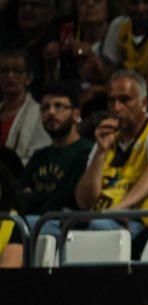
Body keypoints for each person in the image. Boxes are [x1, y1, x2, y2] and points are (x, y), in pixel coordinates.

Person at [74, 69, 148, 238]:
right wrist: (100, 152)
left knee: (99, 227)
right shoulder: (105, 140)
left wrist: (121, 208)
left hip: (145, 226)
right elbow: (84, 201)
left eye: (125, 100)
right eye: (111, 101)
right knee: (42, 226)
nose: (116, 108)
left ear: (144, 103)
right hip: (100, 220)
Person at [20, 83, 93, 221]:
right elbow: (19, 196)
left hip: (64, 224)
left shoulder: (87, 151)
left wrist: (34, 196)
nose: (51, 112)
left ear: (76, 114)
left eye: (58, 106)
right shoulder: (39, 156)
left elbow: (67, 199)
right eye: (45, 108)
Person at [0, 49, 49, 165]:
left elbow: (39, 157)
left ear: (29, 78)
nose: (10, 76)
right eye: (4, 71)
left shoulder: (39, 114)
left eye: (17, 71)